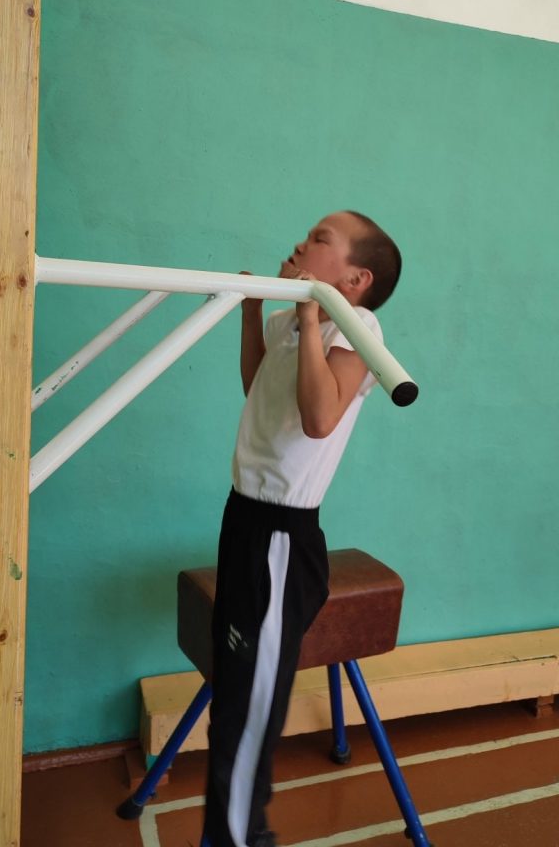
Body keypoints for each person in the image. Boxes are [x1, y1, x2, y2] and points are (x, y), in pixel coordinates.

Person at [203, 210, 402, 847]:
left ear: (355, 280)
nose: (300, 241)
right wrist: (252, 312)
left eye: (320, 239)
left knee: (249, 709)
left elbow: (318, 419)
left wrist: (314, 316)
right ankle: (231, 832)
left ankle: (240, 837)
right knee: (236, 695)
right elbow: (259, 391)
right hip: (242, 518)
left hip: (282, 540)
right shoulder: (290, 320)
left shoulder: (357, 327)